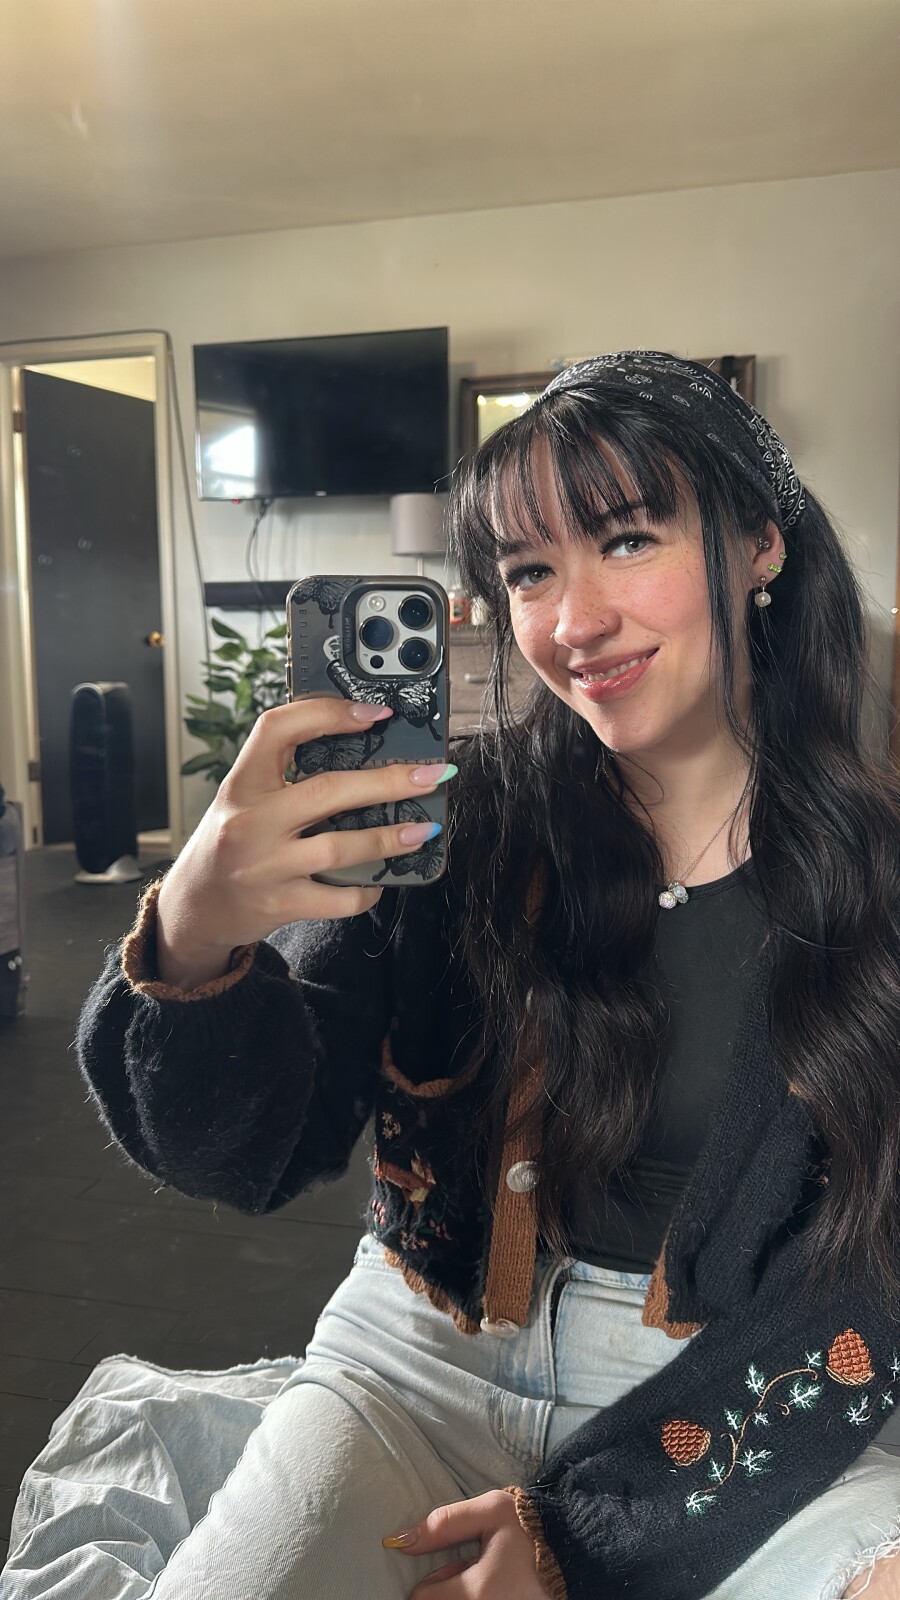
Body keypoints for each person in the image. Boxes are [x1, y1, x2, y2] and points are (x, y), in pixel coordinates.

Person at [4, 352, 899, 1600]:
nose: (573, 623)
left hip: (721, 1394)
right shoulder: (454, 834)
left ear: (760, 545)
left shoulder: (876, 882)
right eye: (530, 571)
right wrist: (197, 939)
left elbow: (872, 1285)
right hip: (414, 1363)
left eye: (627, 540)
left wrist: (586, 1536)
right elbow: (251, 1158)